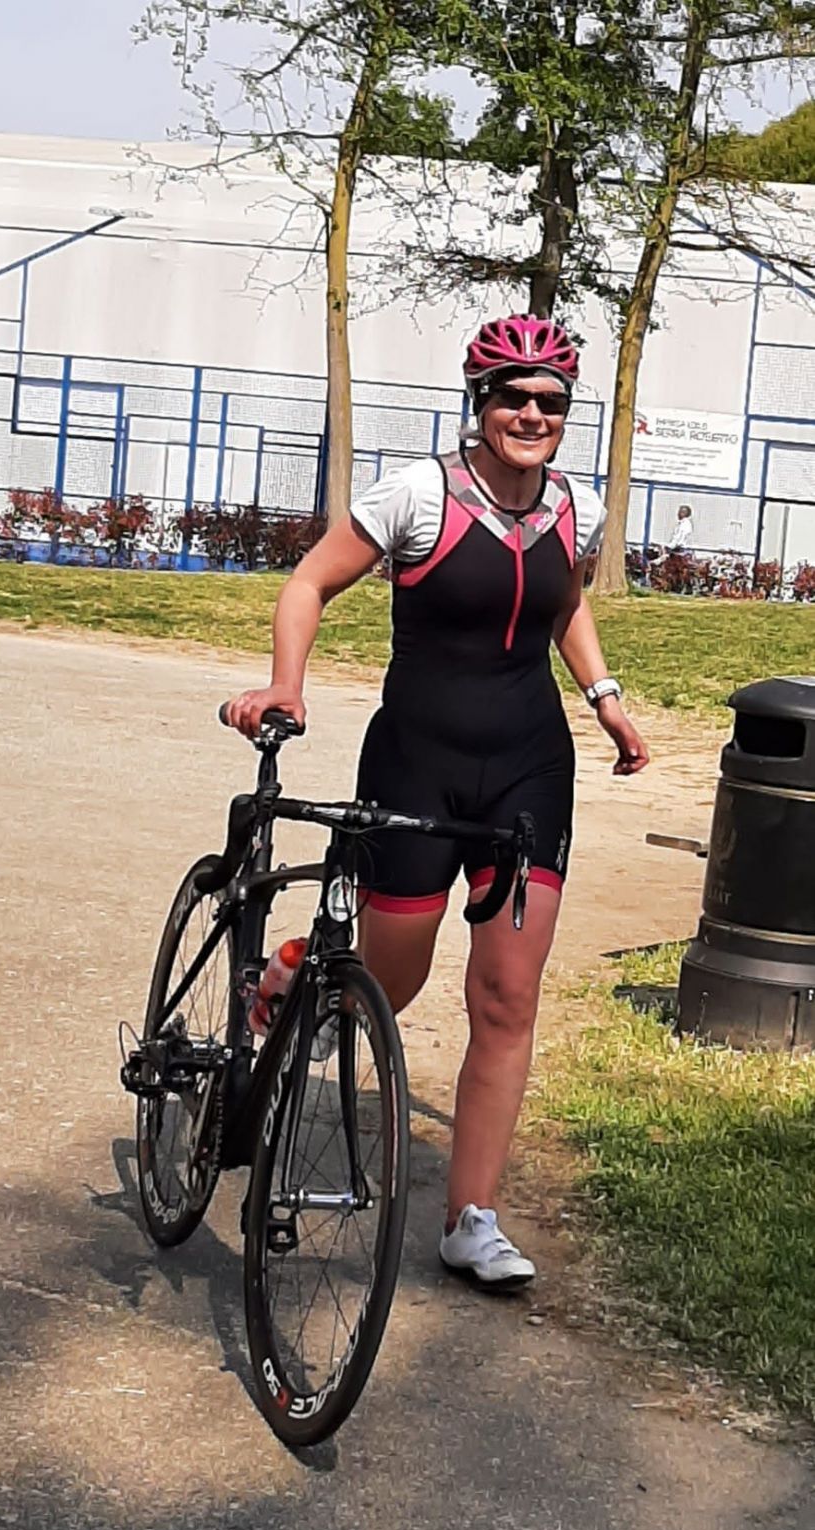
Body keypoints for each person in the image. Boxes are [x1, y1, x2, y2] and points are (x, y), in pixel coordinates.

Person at [225, 314, 649, 1295]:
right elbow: (309, 583)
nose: (533, 416)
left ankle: (471, 1219)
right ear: (481, 402)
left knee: (506, 996)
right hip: (416, 761)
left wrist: (604, 698)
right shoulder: (419, 494)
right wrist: (288, 683)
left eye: (551, 402)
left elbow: (564, 603)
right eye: (514, 398)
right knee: (393, 979)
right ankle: (293, 971)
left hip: (529, 771)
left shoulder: (573, 508)